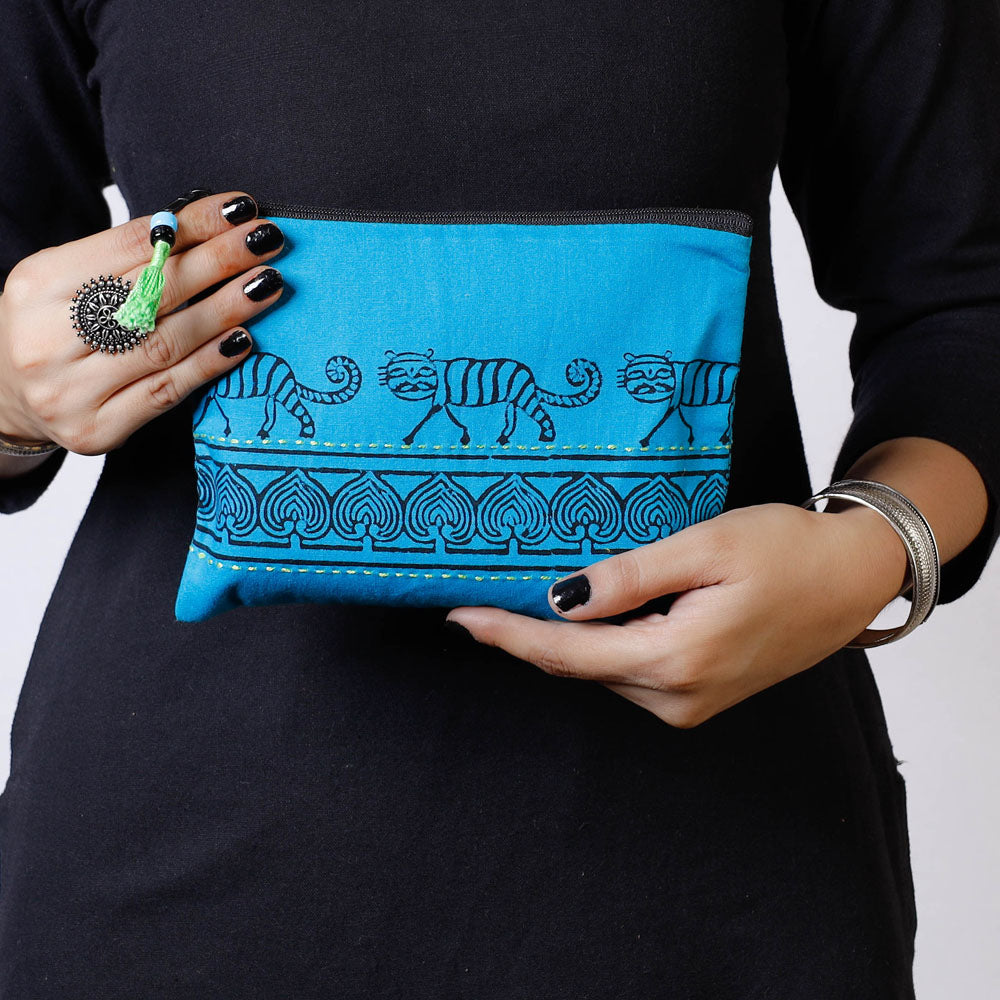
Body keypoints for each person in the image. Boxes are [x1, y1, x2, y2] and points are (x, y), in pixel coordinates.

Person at [0, 0, 997, 996]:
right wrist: (13, 390)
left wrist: (875, 548)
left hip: (722, 866)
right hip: (163, 875)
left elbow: (964, 302)